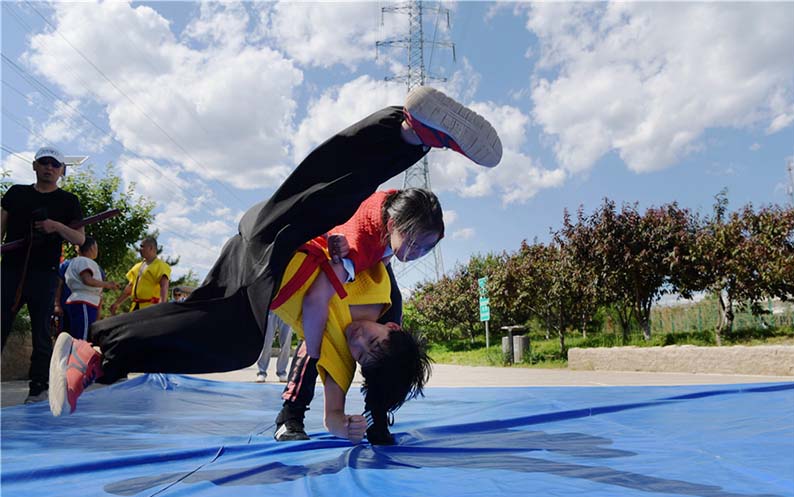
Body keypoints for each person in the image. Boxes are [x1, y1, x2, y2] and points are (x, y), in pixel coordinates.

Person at [48, 87, 502, 444]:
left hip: (255, 266)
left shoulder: (357, 342)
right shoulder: (378, 275)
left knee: (231, 340)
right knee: (329, 193)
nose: (359, 340)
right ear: (393, 329)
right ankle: (411, 132)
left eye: (362, 353)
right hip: (281, 238)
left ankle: (97, 355)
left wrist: (353, 420)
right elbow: (339, 273)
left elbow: (346, 393)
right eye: (372, 340)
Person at [271, 186, 445, 444]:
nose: (358, 339)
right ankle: (290, 416)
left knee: (388, 359)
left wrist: (350, 424)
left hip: (369, 268)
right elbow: (316, 300)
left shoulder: (383, 314)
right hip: (339, 261)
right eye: (412, 244)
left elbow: (334, 417)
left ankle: (377, 415)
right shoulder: (357, 241)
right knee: (315, 341)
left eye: (424, 248)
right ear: (393, 224)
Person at [1, 146, 85, 404]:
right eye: (44, 162)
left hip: (45, 274)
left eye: (55, 164)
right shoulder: (17, 193)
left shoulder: (68, 201)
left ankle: (38, 388)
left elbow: (80, 238)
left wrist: (56, 226)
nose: (49, 168)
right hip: (11, 270)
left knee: (40, 331)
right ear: (35, 166)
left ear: (61, 170)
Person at [63, 236, 119, 340]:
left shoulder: (75, 261)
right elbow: (87, 280)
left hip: (82, 300)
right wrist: (107, 284)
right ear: (92, 248)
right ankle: (81, 355)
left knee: (79, 333)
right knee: (83, 337)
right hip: (84, 301)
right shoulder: (84, 261)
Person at [109, 237, 170, 315]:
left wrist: (161, 307)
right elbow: (130, 287)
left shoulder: (161, 266)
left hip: (150, 308)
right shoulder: (137, 266)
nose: (140, 249)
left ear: (150, 248)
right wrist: (117, 303)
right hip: (135, 307)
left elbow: (164, 287)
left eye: (142, 246)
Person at [255, 312, 294, 383]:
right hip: (271, 309)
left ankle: (282, 372)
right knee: (266, 342)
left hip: (286, 308)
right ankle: (262, 372)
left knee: (286, 343)